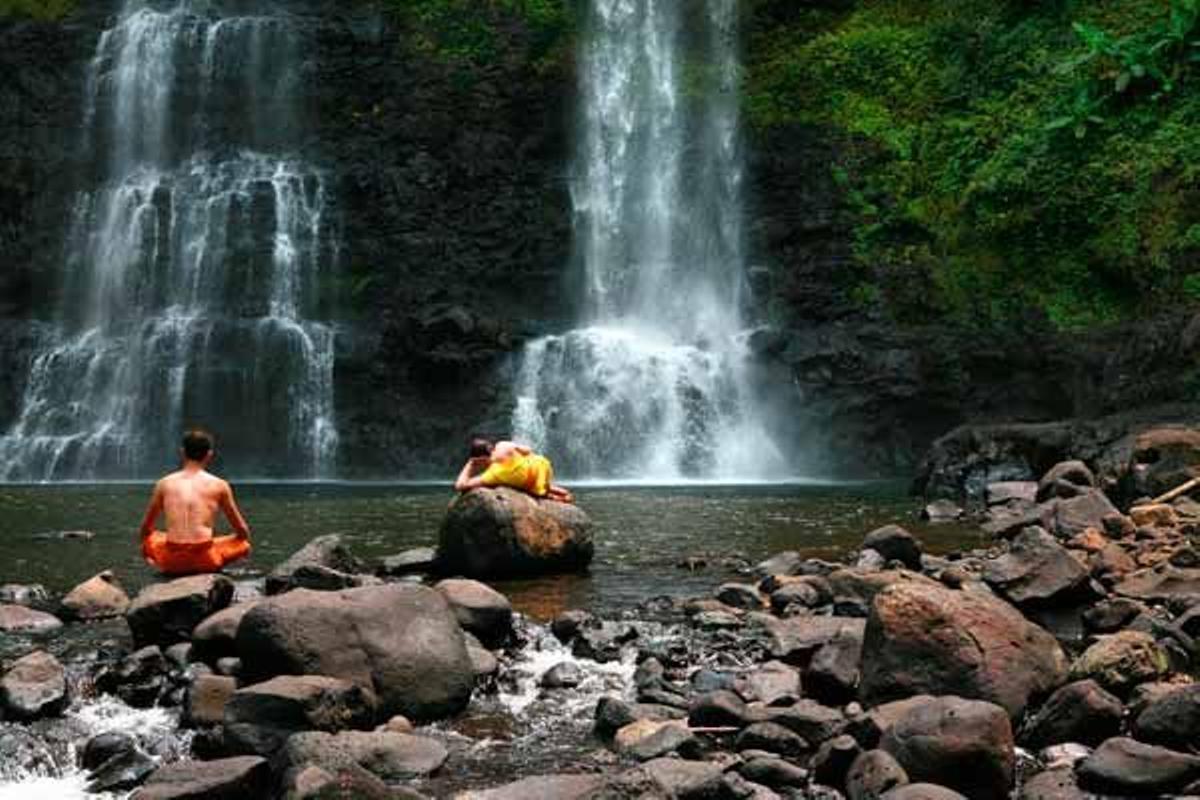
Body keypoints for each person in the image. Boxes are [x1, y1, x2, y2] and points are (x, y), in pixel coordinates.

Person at [138, 429, 252, 576]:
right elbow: (242, 532)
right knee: (243, 545)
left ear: (182, 452)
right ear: (209, 454)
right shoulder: (220, 485)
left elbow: (145, 529)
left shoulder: (163, 483)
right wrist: (220, 541)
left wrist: (155, 541)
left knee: (151, 538)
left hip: (171, 562)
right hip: (206, 560)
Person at [454, 437, 575, 503]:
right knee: (527, 470)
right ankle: (551, 487)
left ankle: (551, 496)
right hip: (543, 465)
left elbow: (460, 486)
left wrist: (470, 464)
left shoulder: (493, 475)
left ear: (480, 459)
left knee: (524, 485)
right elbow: (528, 450)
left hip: (530, 481)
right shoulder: (503, 445)